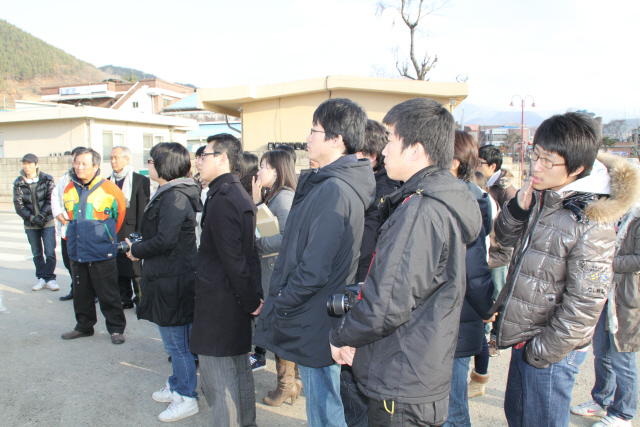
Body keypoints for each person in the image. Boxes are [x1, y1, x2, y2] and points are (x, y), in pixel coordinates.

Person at [328, 98, 481, 427]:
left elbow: (386, 306)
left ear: (416, 150)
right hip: (416, 369)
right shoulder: (436, 201)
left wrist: (340, 335)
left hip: (402, 378)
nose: (383, 150)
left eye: (391, 140)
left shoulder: (421, 211)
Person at [492, 112, 640, 427]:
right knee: (518, 416)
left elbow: (586, 303)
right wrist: (518, 207)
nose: (536, 167)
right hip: (525, 337)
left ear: (576, 168)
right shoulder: (544, 197)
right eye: (535, 156)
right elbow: (503, 238)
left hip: (550, 351)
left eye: (548, 161)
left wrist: (542, 350)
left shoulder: (591, 220)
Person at [254, 98, 376, 427]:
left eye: (314, 131)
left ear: (337, 140)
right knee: (324, 403)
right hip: (316, 311)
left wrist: (282, 300)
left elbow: (314, 268)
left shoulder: (335, 189)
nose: (307, 138)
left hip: (315, 314)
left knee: (324, 409)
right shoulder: (328, 184)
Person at [123, 143, 202, 422]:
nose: (148, 165)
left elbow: (165, 240)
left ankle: (187, 397)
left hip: (173, 280)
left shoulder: (175, 196)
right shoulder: (170, 191)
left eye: (151, 160)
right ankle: (178, 384)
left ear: (164, 165)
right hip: (169, 276)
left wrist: (137, 250)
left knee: (177, 345)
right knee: (177, 343)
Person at [190, 133, 263, 427]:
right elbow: (248, 254)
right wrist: (252, 298)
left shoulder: (223, 198)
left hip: (219, 304)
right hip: (233, 301)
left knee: (220, 384)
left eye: (204, 156)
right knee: (238, 374)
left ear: (221, 158)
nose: (198, 162)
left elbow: (235, 260)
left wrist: (251, 300)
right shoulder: (236, 193)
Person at [341, 119, 401, 427]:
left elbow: (367, 249)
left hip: (366, 295)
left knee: (358, 383)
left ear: (371, 156)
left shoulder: (385, 192)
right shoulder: (370, 185)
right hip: (359, 290)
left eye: (352, 151)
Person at [571, 194, 640, 427]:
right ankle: (601, 400)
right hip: (604, 293)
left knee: (623, 358)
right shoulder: (613, 216)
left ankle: (623, 414)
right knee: (602, 354)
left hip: (627, 298)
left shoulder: (637, 218)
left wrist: (608, 263)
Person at [442, 130, 495, 427]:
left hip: (458, 318)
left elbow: (475, 272)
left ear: (454, 162)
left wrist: (488, 309)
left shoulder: (463, 201)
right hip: (456, 316)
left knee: (452, 407)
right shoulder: (470, 195)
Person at [60, 148, 127, 345]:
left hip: (101, 251)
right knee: (81, 293)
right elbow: (69, 216)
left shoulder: (109, 188)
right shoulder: (69, 188)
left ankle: (116, 328)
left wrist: (104, 236)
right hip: (77, 250)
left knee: (108, 292)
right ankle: (84, 326)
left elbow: (119, 216)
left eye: (84, 164)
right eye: (76, 163)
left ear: (96, 166)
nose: (79, 167)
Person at [250, 150, 299, 401]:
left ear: (277, 171)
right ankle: (291, 383)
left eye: (263, 166)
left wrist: (258, 245)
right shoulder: (275, 195)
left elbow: (288, 237)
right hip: (272, 271)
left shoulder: (285, 197)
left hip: (278, 273)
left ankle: (286, 385)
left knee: (280, 330)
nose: (259, 171)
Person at [477, 144, 517, 356]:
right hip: (490, 251)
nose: (476, 166)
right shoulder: (487, 184)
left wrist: (500, 249)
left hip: (498, 253)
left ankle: (496, 339)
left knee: (498, 295)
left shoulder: (506, 190)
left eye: (480, 163)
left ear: (492, 166)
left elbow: (512, 226)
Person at [108, 146, 150, 309]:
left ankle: (141, 299)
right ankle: (124, 299)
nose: (113, 161)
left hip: (132, 231)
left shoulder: (140, 180)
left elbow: (142, 210)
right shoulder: (108, 181)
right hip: (114, 230)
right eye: (111, 158)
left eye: (116, 157)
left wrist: (140, 233)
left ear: (127, 159)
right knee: (118, 267)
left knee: (135, 268)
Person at [13, 153, 59, 292]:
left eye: (29, 164)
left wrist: (42, 216)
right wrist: (33, 218)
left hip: (47, 221)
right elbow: (19, 205)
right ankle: (41, 278)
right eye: (24, 164)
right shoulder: (19, 182)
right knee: (37, 253)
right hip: (30, 224)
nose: (26, 166)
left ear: (36, 164)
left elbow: (51, 199)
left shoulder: (47, 179)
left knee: (50, 252)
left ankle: (50, 278)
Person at [51, 147, 85, 300]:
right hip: (67, 228)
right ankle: (75, 289)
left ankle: (89, 292)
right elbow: (55, 196)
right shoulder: (66, 178)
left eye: (79, 159)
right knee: (68, 262)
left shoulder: (90, 180)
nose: (75, 162)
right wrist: (59, 214)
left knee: (83, 263)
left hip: (82, 229)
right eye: (74, 159)